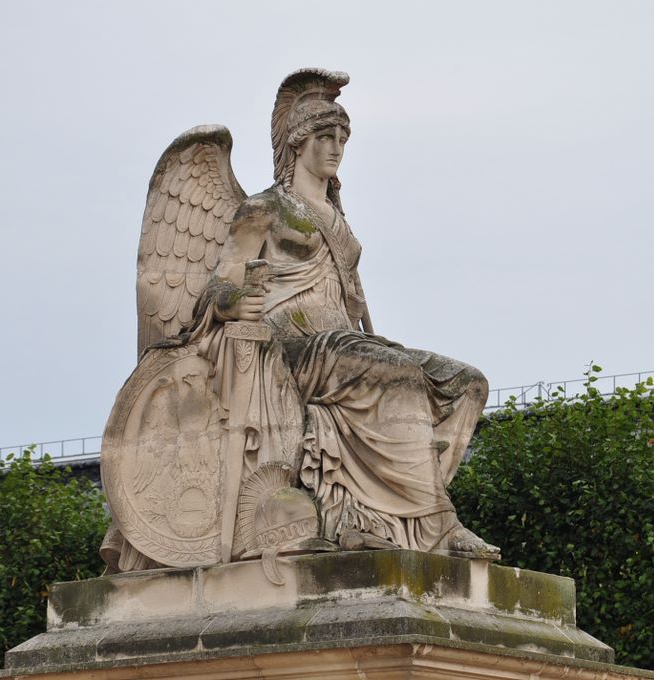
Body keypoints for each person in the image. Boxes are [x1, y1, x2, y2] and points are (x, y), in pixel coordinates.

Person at [184, 75, 498, 556]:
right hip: (293, 347)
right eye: (324, 138)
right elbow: (216, 288)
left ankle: (379, 515)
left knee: (466, 383)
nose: (335, 148)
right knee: (398, 376)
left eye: (342, 139)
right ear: (298, 143)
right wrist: (233, 302)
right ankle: (438, 524)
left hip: (342, 342)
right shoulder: (264, 208)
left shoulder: (336, 216)